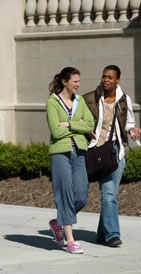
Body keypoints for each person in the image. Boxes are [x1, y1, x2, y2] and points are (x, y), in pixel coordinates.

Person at [83, 65, 141, 247]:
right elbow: (78, 121)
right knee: (108, 194)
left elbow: (129, 121)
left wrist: (132, 130)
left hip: (117, 152)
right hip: (97, 152)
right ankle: (112, 234)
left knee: (110, 195)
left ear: (117, 80)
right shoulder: (89, 99)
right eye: (104, 76)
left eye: (110, 77)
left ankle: (103, 234)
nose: (106, 80)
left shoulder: (124, 99)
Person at [46, 67, 94, 254]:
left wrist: (70, 124)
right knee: (64, 193)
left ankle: (58, 223)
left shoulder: (80, 100)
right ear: (65, 82)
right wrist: (79, 126)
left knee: (81, 196)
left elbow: (90, 124)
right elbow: (56, 132)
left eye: (79, 81)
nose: (78, 85)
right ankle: (71, 241)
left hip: (79, 151)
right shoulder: (52, 102)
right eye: (75, 81)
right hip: (60, 152)